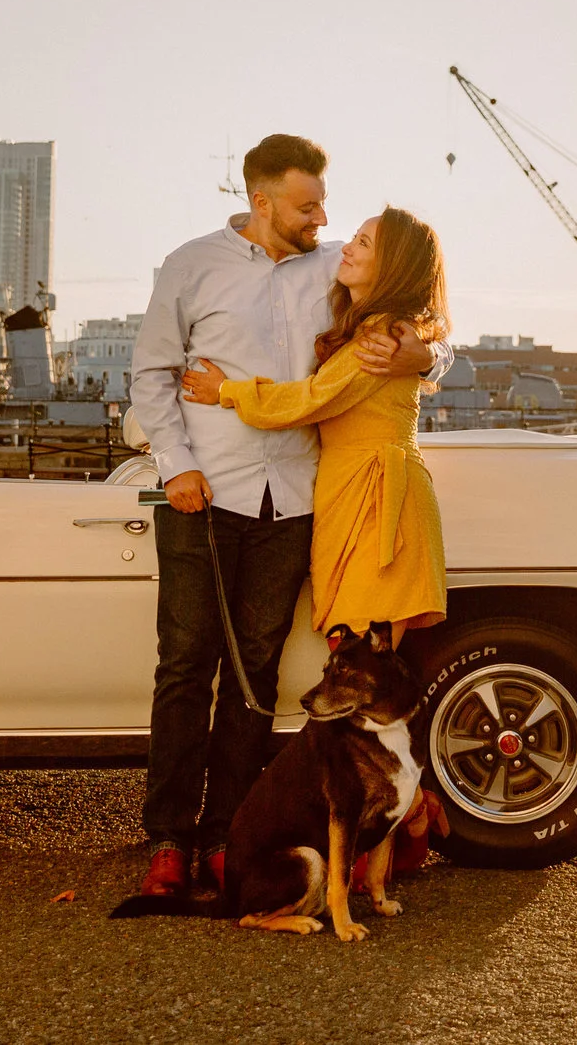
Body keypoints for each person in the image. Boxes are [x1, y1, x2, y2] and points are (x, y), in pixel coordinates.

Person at [126, 135, 447, 902]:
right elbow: (150, 372)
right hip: (203, 495)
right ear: (262, 201)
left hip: (297, 500)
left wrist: (423, 359)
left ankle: (226, 837)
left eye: (325, 205)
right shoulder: (191, 264)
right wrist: (179, 466)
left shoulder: (336, 266)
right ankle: (169, 838)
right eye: (308, 206)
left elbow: (422, 311)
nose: (323, 218)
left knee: (255, 676)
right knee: (184, 666)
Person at [181, 207, 449, 646]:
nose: (346, 246)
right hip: (351, 493)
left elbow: (311, 398)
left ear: (393, 266)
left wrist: (228, 390)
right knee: (354, 653)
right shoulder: (371, 323)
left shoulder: (384, 335)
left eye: (363, 243)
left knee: (361, 662)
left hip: (379, 500)